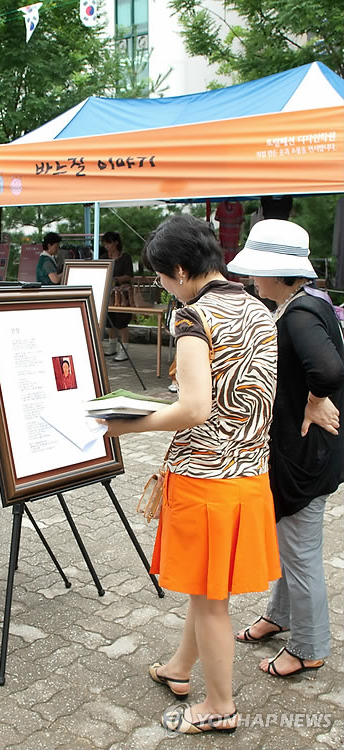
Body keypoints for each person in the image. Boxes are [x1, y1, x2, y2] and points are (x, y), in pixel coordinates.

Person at [99, 214, 280, 735]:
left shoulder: (192, 318)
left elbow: (195, 407)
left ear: (180, 270)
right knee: (208, 594)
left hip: (206, 479)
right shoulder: (258, 306)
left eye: (160, 276)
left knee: (210, 603)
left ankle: (220, 705)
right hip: (248, 472)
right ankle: (180, 670)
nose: (159, 285)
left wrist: (125, 426)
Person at [228, 220, 344, 678]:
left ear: (275, 272)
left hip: (304, 458)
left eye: (257, 270)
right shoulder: (310, 302)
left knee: (299, 550)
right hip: (304, 454)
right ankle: (280, 616)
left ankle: (310, 645)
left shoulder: (296, 314)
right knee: (287, 542)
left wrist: (316, 401)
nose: (251, 279)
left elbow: (330, 371)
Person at [103, 231, 133, 361]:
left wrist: (115, 278)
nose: (106, 246)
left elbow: (129, 275)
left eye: (109, 243)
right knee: (110, 321)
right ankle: (112, 346)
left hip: (122, 294)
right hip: (108, 293)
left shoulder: (125, 257)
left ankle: (124, 349)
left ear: (116, 242)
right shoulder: (103, 257)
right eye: (105, 243)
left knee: (122, 322)